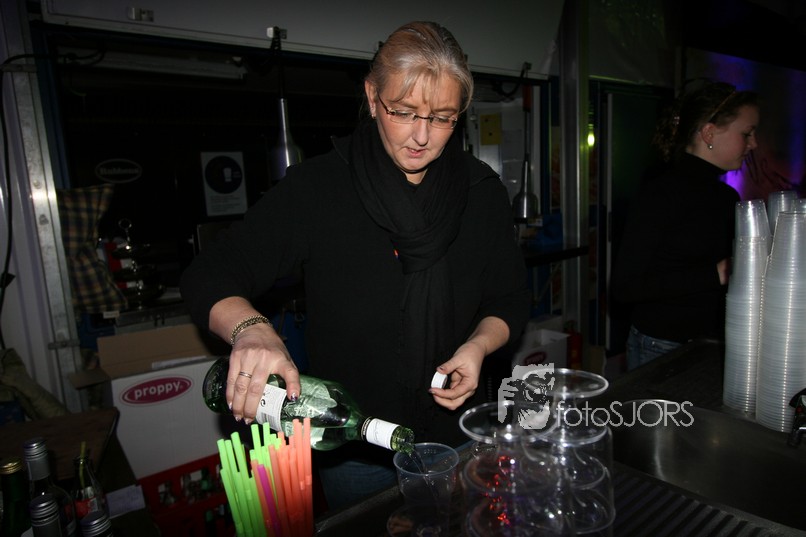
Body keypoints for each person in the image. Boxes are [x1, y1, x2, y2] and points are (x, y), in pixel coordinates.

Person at [180, 21, 530, 508]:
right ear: (371, 97)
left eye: (443, 118)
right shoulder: (317, 189)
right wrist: (251, 329)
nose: (422, 136)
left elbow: (509, 297)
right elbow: (210, 272)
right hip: (353, 449)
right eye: (403, 112)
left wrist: (478, 345)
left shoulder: (481, 191)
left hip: (455, 437)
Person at [611, 80, 759, 370]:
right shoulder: (661, 192)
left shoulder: (727, 196)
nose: (754, 144)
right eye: (747, 133)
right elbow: (625, 287)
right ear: (709, 133)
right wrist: (716, 273)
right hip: (660, 345)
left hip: (711, 342)